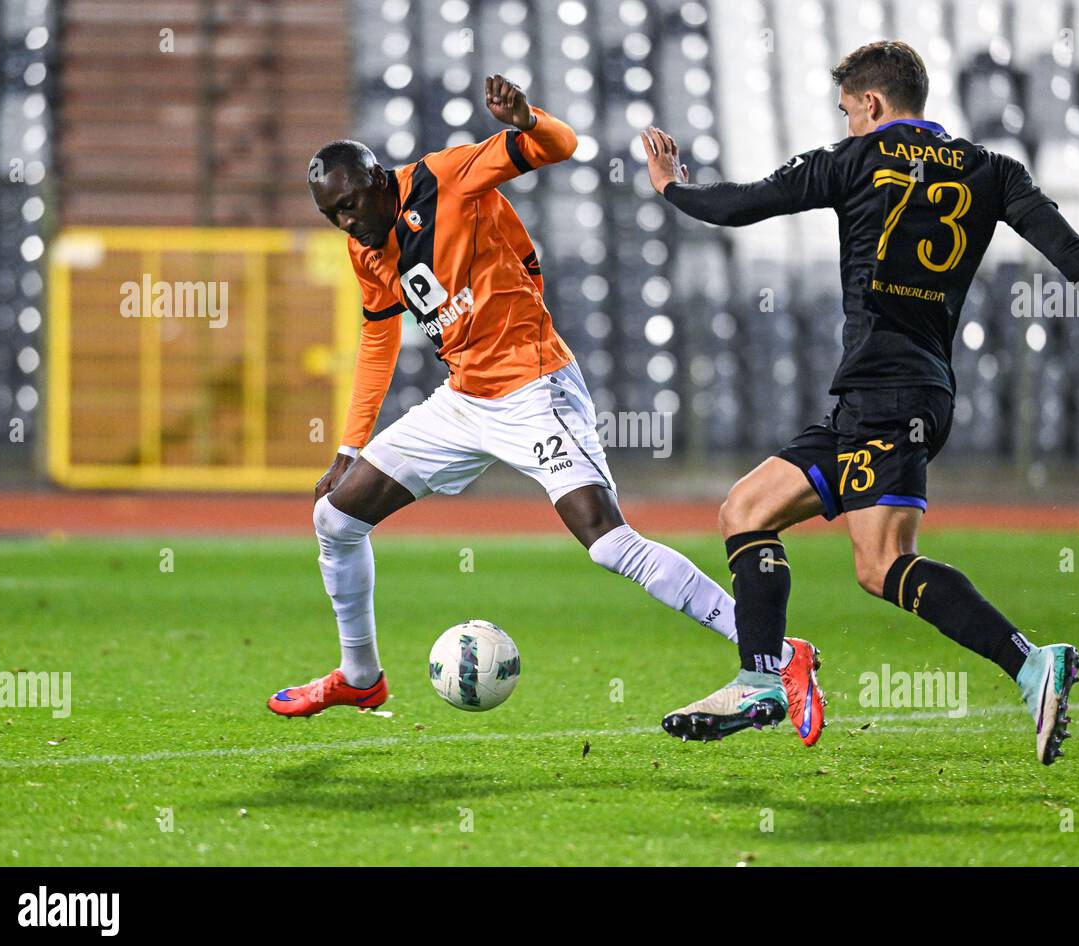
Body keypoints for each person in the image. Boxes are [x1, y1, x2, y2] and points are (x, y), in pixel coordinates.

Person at [643, 41, 1079, 761]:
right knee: (745, 510)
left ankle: (1030, 663)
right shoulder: (992, 171)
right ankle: (763, 675)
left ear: (870, 104)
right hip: (900, 392)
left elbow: (743, 204)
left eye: (848, 111)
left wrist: (671, 188)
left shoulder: (850, 160)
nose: (846, 126)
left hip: (887, 393)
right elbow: (1065, 246)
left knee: (882, 565)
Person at [268, 75, 821, 732]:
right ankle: (361, 679)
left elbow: (559, 145)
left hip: (534, 386)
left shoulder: (446, 179)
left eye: (354, 205)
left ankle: (777, 652)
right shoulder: (366, 247)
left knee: (608, 541)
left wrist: (527, 118)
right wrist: (350, 447)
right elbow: (380, 339)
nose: (348, 222)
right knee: (335, 517)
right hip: (464, 399)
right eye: (334, 214)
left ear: (381, 179)